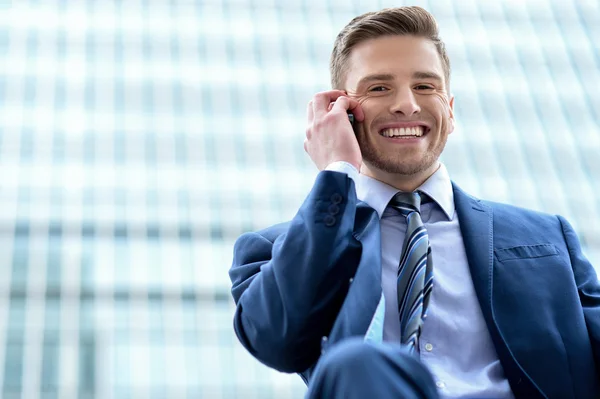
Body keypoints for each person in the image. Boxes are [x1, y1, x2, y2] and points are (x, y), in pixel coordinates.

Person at [228, 6, 600, 399]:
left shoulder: (549, 236)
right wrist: (336, 172)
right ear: (341, 112)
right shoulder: (279, 250)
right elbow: (277, 341)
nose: (407, 104)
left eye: (425, 86)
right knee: (355, 362)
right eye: (378, 88)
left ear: (450, 111)